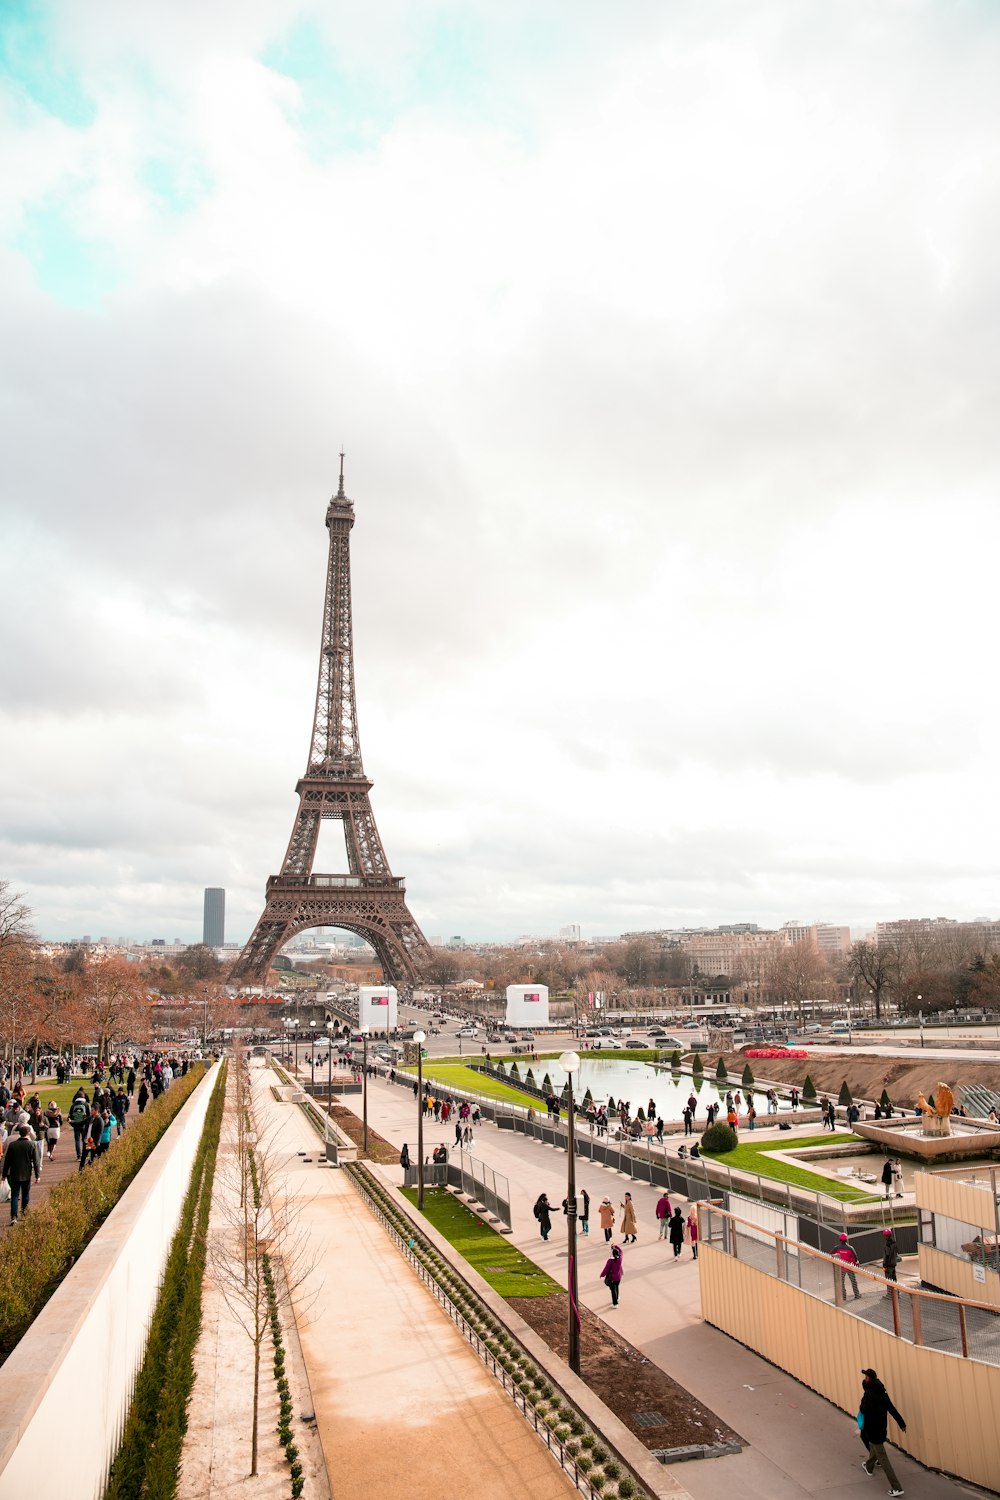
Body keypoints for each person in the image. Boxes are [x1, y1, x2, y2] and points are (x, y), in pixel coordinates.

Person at [858, 1367, 907, 1495]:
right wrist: (901, 1423)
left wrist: (862, 1402)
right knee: (874, 1447)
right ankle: (869, 1466)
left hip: (873, 1430)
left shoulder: (869, 1394)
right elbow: (891, 1408)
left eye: (865, 1377)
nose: (864, 1379)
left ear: (869, 1379)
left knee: (882, 1457)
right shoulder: (883, 1393)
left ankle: (897, 1487)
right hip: (881, 1429)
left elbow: (864, 1409)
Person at [2, 1123, 39, 1223]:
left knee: (14, 1195)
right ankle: (24, 1213)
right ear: (27, 1134)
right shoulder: (31, 1144)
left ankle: (13, 1216)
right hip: (26, 1173)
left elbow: (7, 1161)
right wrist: (37, 1175)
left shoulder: (12, 1145)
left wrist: (4, 1175)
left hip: (14, 1173)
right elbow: (36, 1161)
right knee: (25, 1195)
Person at [834, 1233, 862, 1300]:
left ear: (840, 1239)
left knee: (842, 1283)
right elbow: (856, 1259)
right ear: (846, 1240)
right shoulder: (850, 1248)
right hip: (849, 1267)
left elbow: (830, 1255)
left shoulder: (836, 1248)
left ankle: (843, 1297)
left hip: (840, 1268)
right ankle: (857, 1295)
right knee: (853, 1281)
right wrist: (856, 1266)